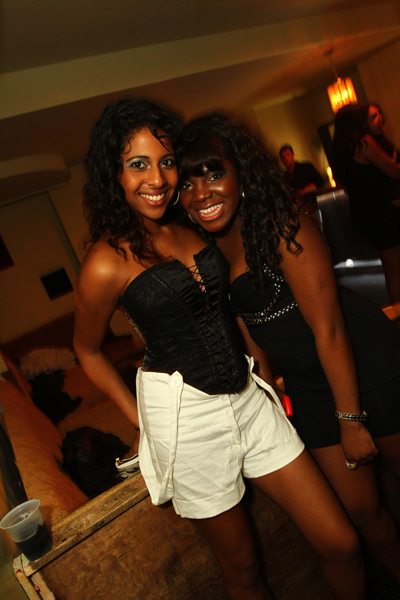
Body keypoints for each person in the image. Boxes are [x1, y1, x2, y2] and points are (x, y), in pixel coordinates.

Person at [73, 98, 366, 600]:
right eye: (138, 164)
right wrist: (141, 422)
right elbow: (87, 349)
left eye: (166, 162)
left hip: (249, 402)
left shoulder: (190, 226)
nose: (157, 179)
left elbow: (233, 306)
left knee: (341, 543)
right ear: (113, 173)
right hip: (189, 428)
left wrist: (267, 371)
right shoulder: (105, 262)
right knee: (244, 570)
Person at [177, 112, 400, 594]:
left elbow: (330, 329)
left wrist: (351, 419)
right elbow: (249, 327)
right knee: (362, 511)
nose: (202, 193)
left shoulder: (282, 225)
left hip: (365, 363)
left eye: (214, 174)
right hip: (309, 387)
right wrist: (269, 392)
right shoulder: (207, 249)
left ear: (241, 172)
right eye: (188, 183)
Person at [331, 104, 400, 303]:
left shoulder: (340, 152)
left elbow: (346, 188)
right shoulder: (363, 144)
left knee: (391, 269)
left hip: (362, 215)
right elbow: (394, 171)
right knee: (395, 271)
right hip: (380, 213)